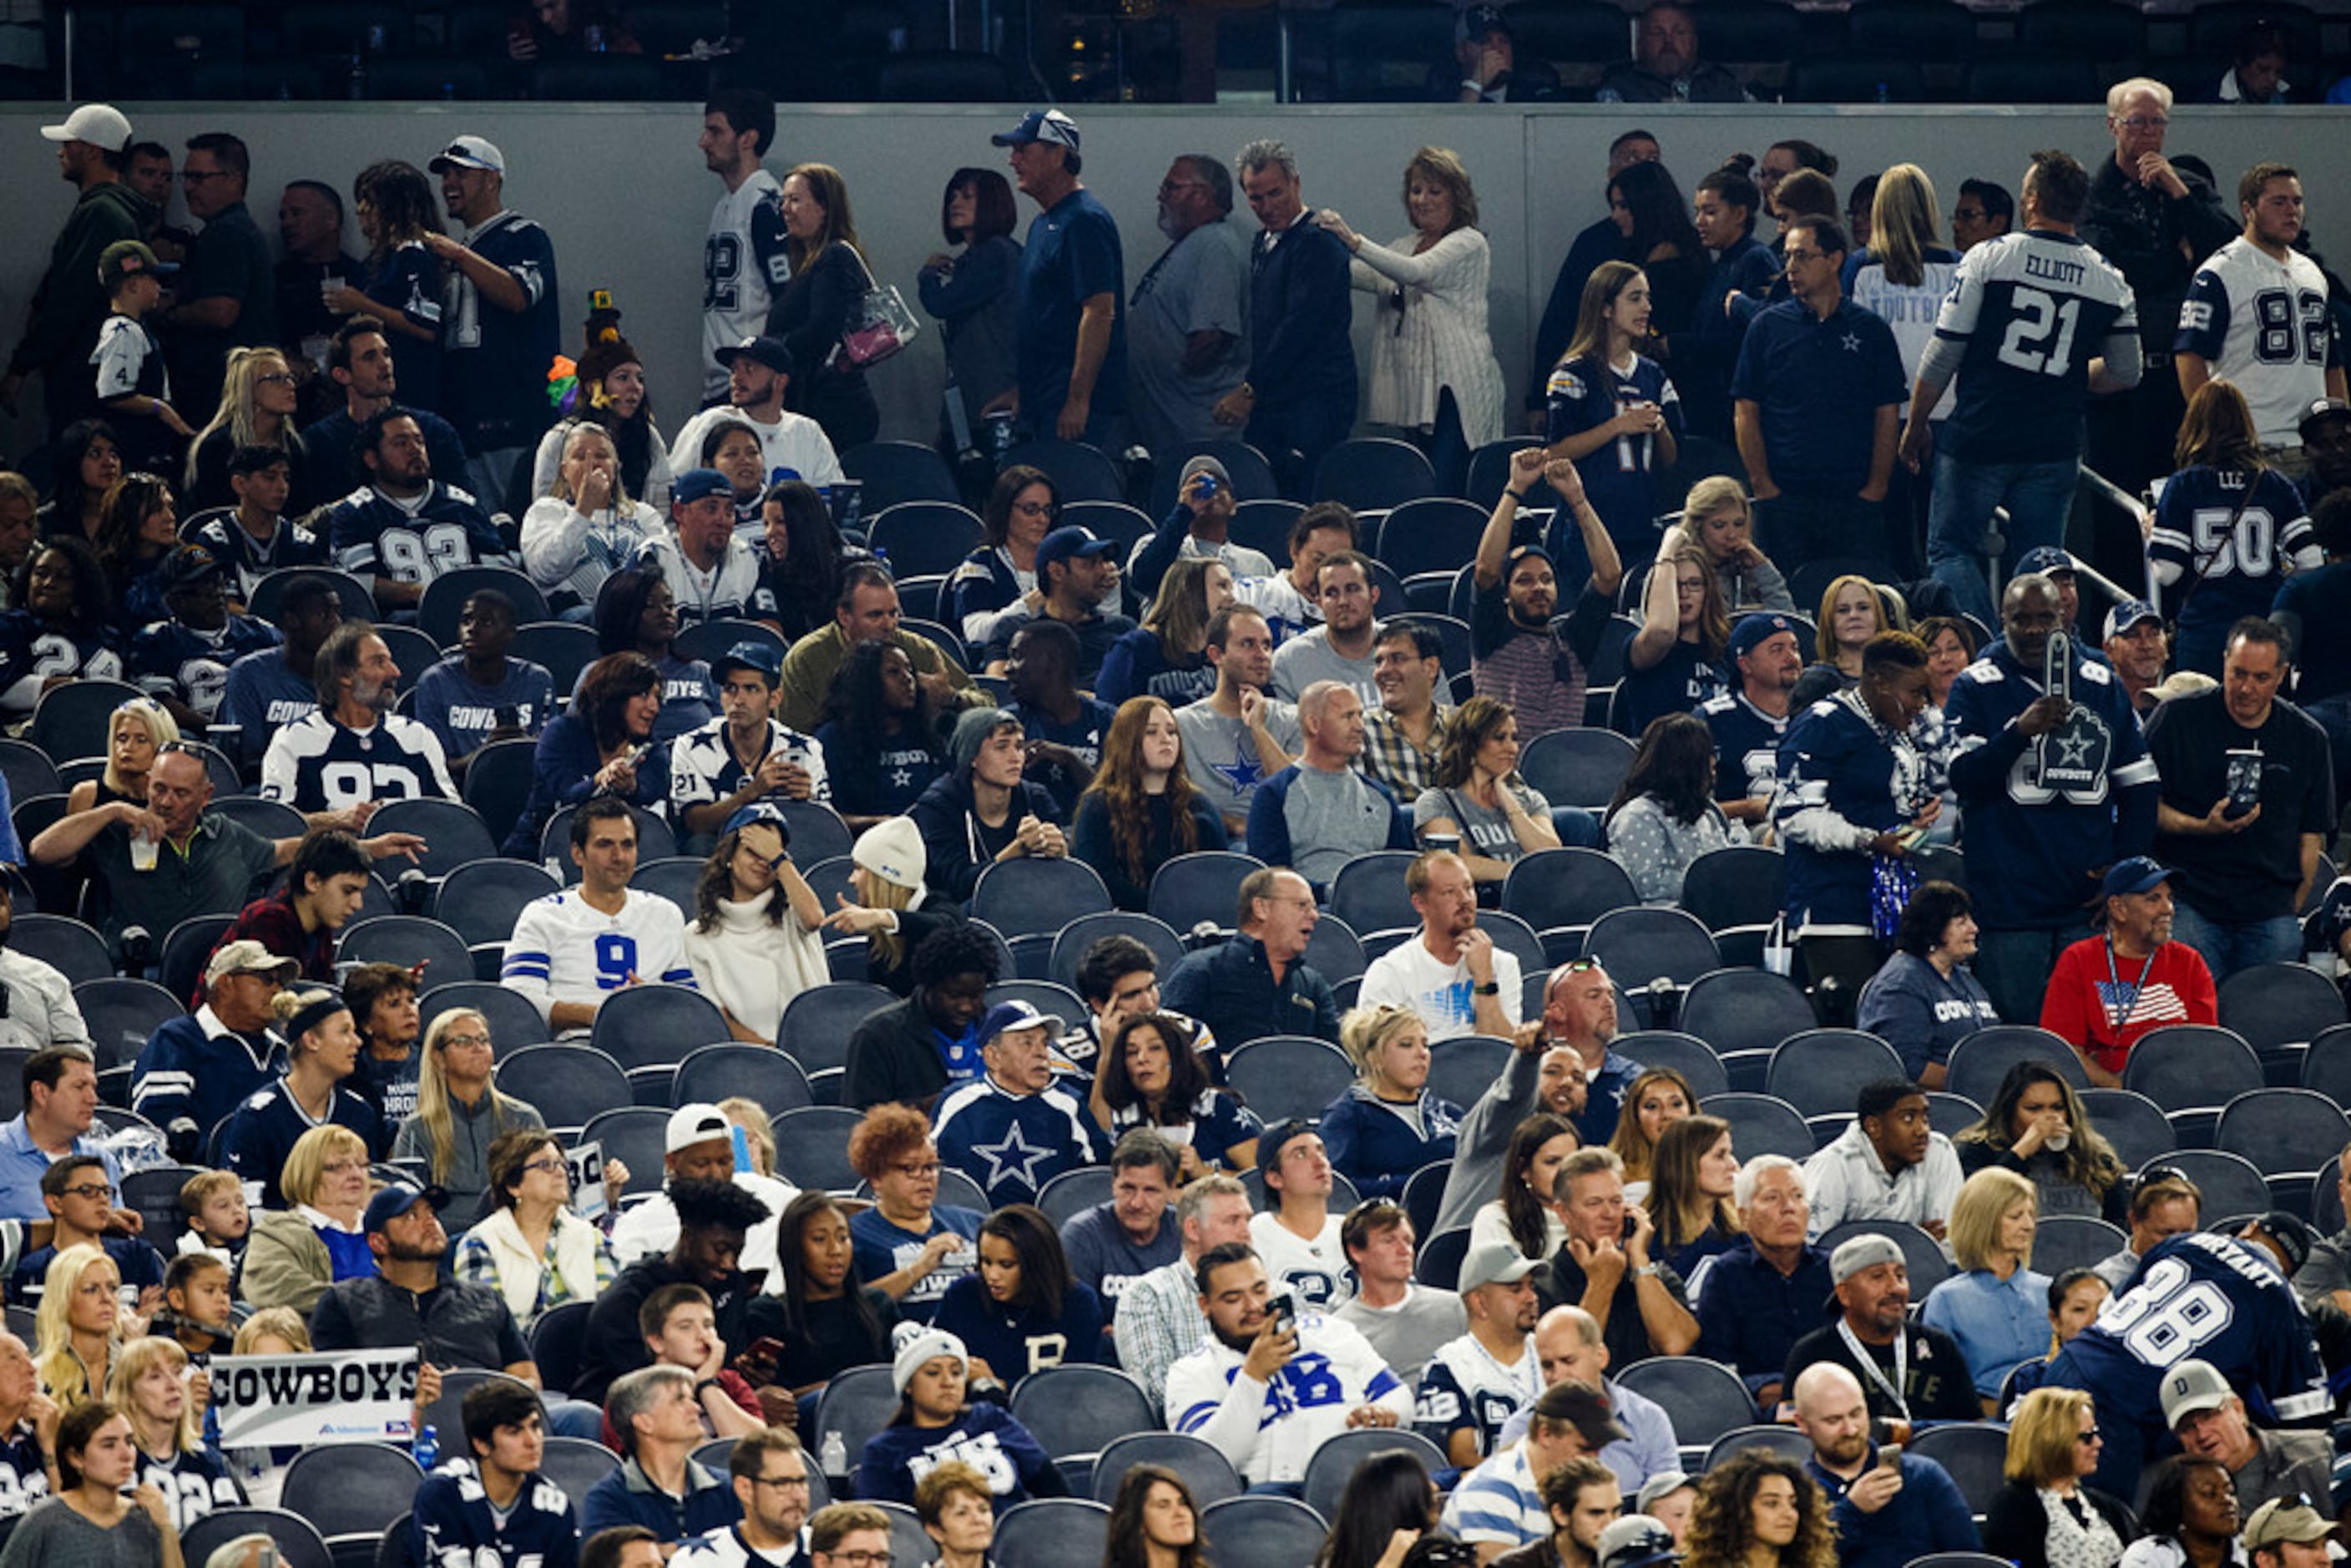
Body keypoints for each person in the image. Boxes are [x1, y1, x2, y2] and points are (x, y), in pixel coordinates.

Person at [1905, 152, 2144, 625]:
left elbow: (1944, 351)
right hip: (2053, 445)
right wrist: (2071, 373)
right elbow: (2124, 374)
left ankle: (1988, 644)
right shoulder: (2110, 280)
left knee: (1951, 549)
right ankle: (2031, 656)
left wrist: (1915, 424)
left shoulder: (1990, 258)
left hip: (1980, 436)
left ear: (2031, 199)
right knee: (2039, 568)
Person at [1945, 574, 2159, 1024]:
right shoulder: (1975, 685)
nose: (2035, 630)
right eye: (2022, 619)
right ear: (2003, 621)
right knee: (2017, 1033)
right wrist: (2018, 732)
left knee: (2095, 1029)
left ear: (2064, 618)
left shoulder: (2102, 683)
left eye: (2046, 618)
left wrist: (2122, 874)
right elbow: (1964, 778)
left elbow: (2140, 788)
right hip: (2008, 902)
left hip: (2086, 898)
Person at [2046, 1216, 2325, 1500]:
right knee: (2101, 1525)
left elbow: (2107, 1312)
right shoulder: (2281, 1300)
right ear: (2291, 1273)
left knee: (2037, 1498)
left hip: (2069, 1364)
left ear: (2249, 1229)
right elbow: (2303, 1420)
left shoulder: (2183, 1242)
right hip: (2124, 1410)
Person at [2146, 618, 2332, 977]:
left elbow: (2311, 839)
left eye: (2261, 678)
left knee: (2267, 1022)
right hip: (2190, 899)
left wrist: (2288, 907)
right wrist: (2200, 827)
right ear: (2223, 664)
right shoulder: (2175, 719)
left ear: (2281, 676)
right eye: (2238, 673)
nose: (2246, 688)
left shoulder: (2307, 738)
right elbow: (2141, 809)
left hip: (2269, 908)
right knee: (2194, 1018)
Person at [1317, 147, 1505, 492]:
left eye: (1435, 191)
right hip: (1417, 388)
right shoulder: (1406, 244)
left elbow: (1416, 272)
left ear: (1457, 196)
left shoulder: (1469, 242)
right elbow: (1366, 275)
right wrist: (1316, 244)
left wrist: (1351, 239)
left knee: (1447, 486)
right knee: (1420, 483)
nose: (1423, 199)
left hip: (1457, 389)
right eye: (1416, 190)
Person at [1772, 631, 1941, 1004]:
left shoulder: (1893, 731)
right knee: (1854, 1029)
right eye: (1914, 691)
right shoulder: (1823, 724)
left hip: (1888, 904)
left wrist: (1914, 826)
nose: (1920, 704)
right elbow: (1795, 817)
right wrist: (1870, 840)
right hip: (1834, 909)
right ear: (1879, 681)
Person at [1732, 218, 1904, 574]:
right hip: (1786, 496)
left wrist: (1877, 487)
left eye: (1802, 257)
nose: (1791, 268)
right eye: (1788, 258)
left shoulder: (1871, 331)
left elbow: (1887, 413)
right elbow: (1746, 410)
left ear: (1834, 260)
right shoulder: (1767, 327)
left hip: (1853, 497)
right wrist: (1762, 484)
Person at [1165, 1242, 1409, 1489]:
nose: (1253, 1306)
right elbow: (1209, 1462)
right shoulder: (1191, 1371)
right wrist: (1253, 1377)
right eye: (1233, 1298)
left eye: (1260, 1290)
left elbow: (1400, 1397)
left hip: (1363, 1479)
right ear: (1204, 1306)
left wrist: (1385, 1411)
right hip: (1273, 1500)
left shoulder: (1330, 1331)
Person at [2176, 166, 2344, 483]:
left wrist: (2340, 432)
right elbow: (2189, 357)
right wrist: (2216, 433)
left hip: (2314, 447)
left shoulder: (2312, 273)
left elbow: (2331, 362)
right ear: (2248, 209)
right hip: (2252, 446)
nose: (2292, 211)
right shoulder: (2220, 273)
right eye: (2278, 202)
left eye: (2297, 202)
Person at [422, 134, 559, 507]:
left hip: (511, 421)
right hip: (461, 420)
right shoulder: (458, 249)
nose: (449, 183)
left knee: (511, 527)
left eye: (461, 173)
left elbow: (518, 295)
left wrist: (459, 256)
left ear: (492, 179)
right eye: (445, 174)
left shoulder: (524, 235)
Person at [2149, 387, 2319, 678]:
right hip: (2261, 633)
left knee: (2199, 719)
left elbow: (2167, 572)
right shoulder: (2274, 484)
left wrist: (2151, 536)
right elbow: (2312, 560)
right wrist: (2280, 584)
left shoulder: (2184, 485)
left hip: (2204, 631)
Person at [1215, 140, 1352, 496]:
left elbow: (1299, 327)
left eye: (1275, 193)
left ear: (1296, 183)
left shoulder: (1318, 242)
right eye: (1256, 198)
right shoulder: (1263, 241)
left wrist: (1251, 388)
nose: (1267, 206)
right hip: (1276, 399)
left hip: (1313, 399)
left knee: (1300, 495)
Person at [5, 104, 147, 443]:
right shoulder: (113, 213)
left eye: (68, 143)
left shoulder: (100, 214)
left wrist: (21, 365)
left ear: (91, 150)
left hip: (83, 377)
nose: (60, 152)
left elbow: (69, 300)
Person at [502, 796, 696, 1037]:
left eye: (627, 845)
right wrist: (603, 1014)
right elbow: (520, 1001)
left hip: (653, 1045)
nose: (619, 857)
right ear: (578, 854)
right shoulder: (542, 916)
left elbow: (690, 1005)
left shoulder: (665, 913)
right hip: (577, 1052)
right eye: (605, 845)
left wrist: (653, 1001)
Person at [574, 1177, 775, 1408]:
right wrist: (736, 1399)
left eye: (737, 1252)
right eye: (720, 1250)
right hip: (625, 1416)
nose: (729, 1263)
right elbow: (645, 1391)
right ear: (688, 1236)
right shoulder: (628, 1299)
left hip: (705, 1408)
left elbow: (725, 1364)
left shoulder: (731, 1283)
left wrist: (748, 1374)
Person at [993, 108, 1127, 448]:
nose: (1013, 160)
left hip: (1076, 412)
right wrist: (1027, 390)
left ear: (1058, 154)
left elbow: (1099, 311)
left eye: (1023, 150)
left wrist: (1078, 399)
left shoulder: (1083, 221)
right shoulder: (1044, 223)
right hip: (1046, 402)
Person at [1544, 262, 1679, 576]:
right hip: (1588, 526)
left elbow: (1672, 458)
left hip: (1644, 524)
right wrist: (1618, 426)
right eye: (1634, 298)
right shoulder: (1573, 374)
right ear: (1605, 308)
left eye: (1647, 297)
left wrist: (1659, 428)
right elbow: (1555, 451)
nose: (1646, 307)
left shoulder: (1653, 375)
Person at [2040, 857, 2217, 1085]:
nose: (2169, 909)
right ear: (2118, 908)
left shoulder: (2189, 961)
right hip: (2106, 1096)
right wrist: (2121, 1090)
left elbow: (2205, 1046)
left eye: (2170, 898)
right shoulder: (2079, 960)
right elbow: (2065, 1051)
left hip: (2182, 1086)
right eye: (2153, 899)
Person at [321, 406, 515, 615]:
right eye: (401, 443)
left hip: (471, 620)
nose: (414, 449)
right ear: (372, 459)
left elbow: (498, 571)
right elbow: (360, 583)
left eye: (419, 441)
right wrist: (426, 594)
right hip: (402, 629)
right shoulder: (355, 513)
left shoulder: (462, 505)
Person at [1788, 1362, 1979, 1568]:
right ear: (1802, 1424)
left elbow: (1970, 1560)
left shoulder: (1921, 1476)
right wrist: (1852, 1511)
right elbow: (1801, 1562)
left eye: (1856, 1414)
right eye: (1833, 1421)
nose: (1850, 1430)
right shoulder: (1792, 1491)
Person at [1782, 1235, 1981, 1431]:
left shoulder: (1938, 1346)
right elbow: (1791, 1437)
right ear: (1844, 1294)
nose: (1895, 1288)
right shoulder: (1812, 1355)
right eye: (1878, 1277)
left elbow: (1971, 1430)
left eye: (1900, 1276)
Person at [859, 1327, 1066, 1511]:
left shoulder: (991, 1419)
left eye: (957, 1372)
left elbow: (1053, 1490)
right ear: (908, 1385)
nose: (948, 1382)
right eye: (933, 1373)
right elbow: (884, 1528)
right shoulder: (884, 1450)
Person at [1124, 156, 1246, 461]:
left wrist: (1176, 373)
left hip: (1199, 426)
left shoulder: (1214, 244)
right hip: (1173, 422)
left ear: (1202, 195)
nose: (1160, 196)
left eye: (1171, 187)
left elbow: (1212, 334)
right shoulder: (1194, 242)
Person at [1683, 1156, 1830, 1406]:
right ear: (1744, 1217)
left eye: (1797, 1196)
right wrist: (1763, 1388)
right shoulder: (1726, 1275)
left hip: (1834, 1399)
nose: (1789, 1207)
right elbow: (1718, 1366)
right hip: (1759, 1411)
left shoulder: (1833, 1270)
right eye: (1772, 1198)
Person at [1534, 1147, 1697, 1368]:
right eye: (1594, 1203)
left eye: (1616, 1201)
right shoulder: (1542, 1286)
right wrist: (1602, 1282)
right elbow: (1568, 1363)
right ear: (1563, 1213)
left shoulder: (1655, 1275)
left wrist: (1639, 1260)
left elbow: (1676, 1345)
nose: (1609, 1214)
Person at [217, 988, 382, 1206]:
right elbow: (246, 1208)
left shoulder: (359, 1112)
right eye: (344, 1032)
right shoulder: (259, 1117)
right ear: (311, 1040)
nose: (357, 1041)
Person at [931, 999, 1100, 1208]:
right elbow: (930, 1175)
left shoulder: (1069, 1106)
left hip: (1049, 1234)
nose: (1041, 1053)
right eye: (1027, 1043)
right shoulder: (956, 1103)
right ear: (993, 1056)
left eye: (1044, 1043)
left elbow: (1098, 1182)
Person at [501, 650, 670, 858]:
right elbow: (565, 795)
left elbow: (650, 793)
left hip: (620, 858)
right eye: (644, 695)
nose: (654, 707)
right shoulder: (561, 733)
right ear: (614, 696)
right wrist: (600, 779)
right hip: (538, 850)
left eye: (657, 697)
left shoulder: (652, 750)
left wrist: (631, 787)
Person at [608, 1102, 796, 1289]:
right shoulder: (638, 1226)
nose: (715, 1174)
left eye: (724, 1161)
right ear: (672, 1162)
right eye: (702, 1164)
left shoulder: (774, 1198)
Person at [779, 562, 982, 734]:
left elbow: (987, 706)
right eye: (875, 616)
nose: (888, 625)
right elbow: (794, 736)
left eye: (893, 613)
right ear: (844, 616)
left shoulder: (919, 650)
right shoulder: (806, 659)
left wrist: (953, 698)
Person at [1247, 680, 1413, 887]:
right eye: (1347, 717)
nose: (1359, 727)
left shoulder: (1380, 795)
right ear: (1313, 724)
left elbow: (1400, 871)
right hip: (1307, 910)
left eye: (1360, 715)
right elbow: (1269, 880)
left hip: (1376, 909)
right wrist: (1329, 893)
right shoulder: (1274, 794)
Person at [454, 1128, 618, 1336]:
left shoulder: (592, 1238)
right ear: (514, 1186)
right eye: (545, 1165)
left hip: (586, 1357)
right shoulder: (480, 1244)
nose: (560, 1172)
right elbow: (485, 1328)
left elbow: (611, 1315)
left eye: (561, 1164)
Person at [1069, 695, 1227, 911]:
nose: (1166, 739)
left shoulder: (1197, 804)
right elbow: (1097, 876)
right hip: (1124, 921)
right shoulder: (1099, 806)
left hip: (1193, 918)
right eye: (1151, 732)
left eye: (1171, 732)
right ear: (1128, 742)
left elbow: (1219, 870)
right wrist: (1157, 905)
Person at [763, 162, 879, 451]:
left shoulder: (834, 258)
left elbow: (821, 329)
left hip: (832, 408)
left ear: (824, 207)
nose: (785, 209)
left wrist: (771, 352)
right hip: (817, 402)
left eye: (795, 200)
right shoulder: (810, 263)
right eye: (784, 200)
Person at [682, 812, 827, 1044]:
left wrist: (779, 860)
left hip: (815, 1047)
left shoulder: (793, 912)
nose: (763, 862)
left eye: (769, 853)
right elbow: (718, 1016)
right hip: (750, 1061)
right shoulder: (698, 935)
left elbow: (814, 919)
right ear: (729, 857)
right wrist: (772, 1053)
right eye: (752, 851)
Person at [670, 640, 829, 851]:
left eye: (751, 689)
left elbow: (825, 831)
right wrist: (754, 790)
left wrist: (807, 803)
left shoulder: (806, 749)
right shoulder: (690, 746)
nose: (738, 700)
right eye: (730, 689)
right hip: (718, 856)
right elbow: (696, 823)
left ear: (774, 698)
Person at [1119, 1173, 1254, 1417]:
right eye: (1232, 1221)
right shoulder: (1147, 1295)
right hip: (1190, 1441)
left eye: (1247, 1220)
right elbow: (1161, 1392)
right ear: (1193, 1229)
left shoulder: (1280, 1291)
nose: (1246, 1232)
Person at [1162, 865, 1339, 1050]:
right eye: (1302, 905)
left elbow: (1335, 1061)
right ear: (1261, 908)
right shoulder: (1200, 970)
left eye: (1314, 908)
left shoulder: (1313, 985)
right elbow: (1167, 1049)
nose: (1314, 916)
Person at [412, 1379, 580, 1568]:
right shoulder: (442, 1494)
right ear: (482, 1444)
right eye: (514, 1432)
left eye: (534, 1426)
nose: (532, 1441)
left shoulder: (555, 1506)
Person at [843, 1100, 984, 1325]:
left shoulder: (972, 1223)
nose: (925, 1176)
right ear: (877, 1177)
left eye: (930, 1166)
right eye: (910, 1168)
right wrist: (921, 1267)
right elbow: (848, 1312)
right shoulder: (855, 1236)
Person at [324, 159, 443, 423]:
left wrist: (363, 304)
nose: (361, 211)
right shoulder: (381, 259)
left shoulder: (413, 255)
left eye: (371, 203)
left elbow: (425, 325)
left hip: (413, 391)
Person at [1919, 1168, 2048, 1411]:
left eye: (2031, 1215)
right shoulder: (1946, 1300)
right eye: (2015, 1216)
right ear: (1983, 1221)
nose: (2029, 1225)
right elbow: (1940, 1389)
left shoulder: (2050, 1291)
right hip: (1979, 1428)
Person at [1361, 850, 1524, 1042]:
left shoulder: (1503, 965)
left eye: (1469, 888)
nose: (1465, 899)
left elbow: (1502, 1053)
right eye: (1449, 892)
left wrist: (1485, 979)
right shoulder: (1391, 973)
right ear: (1420, 903)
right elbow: (1378, 1060)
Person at [933, 1202, 1106, 1381]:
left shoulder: (1079, 1303)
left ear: (1036, 1263)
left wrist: (997, 1385)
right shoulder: (962, 1296)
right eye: (986, 1262)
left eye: (1006, 1265)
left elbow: (1077, 1389)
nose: (992, 1276)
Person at [0, 1399, 183, 1568]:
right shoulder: (45, 1521)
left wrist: (166, 1529)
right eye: (109, 1445)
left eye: (129, 1442)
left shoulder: (146, 1518)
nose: (126, 1454)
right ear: (76, 1457)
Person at [919, 167, 1023, 460]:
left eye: (967, 197)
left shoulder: (994, 254)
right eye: (952, 196)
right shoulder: (987, 256)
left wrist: (927, 275)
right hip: (975, 399)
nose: (955, 203)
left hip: (992, 399)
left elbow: (940, 303)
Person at [1445, 1393, 1621, 1564]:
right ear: (1545, 1435)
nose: (1594, 1459)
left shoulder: (1585, 1485)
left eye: (1599, 1449)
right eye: (1584, 1448)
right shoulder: (1492, 1489)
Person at [1856, 881, 2000, 1087]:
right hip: (1932, 1106)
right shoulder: (1900, 985)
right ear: (1934, 928)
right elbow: (1908, 1068)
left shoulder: (1964, 978)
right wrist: (1980, 1084)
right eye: (1961, 922)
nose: (1974, 929)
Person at [695, 88, 787, 404]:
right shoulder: (724, 205)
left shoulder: (765, 204)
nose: (703, 142)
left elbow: (785, 297)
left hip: (750, 384)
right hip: (720, 380)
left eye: (715, 130)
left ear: (747, 138)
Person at [1415, 1242, 1543, 1469]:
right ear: (1479, 1302)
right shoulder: (1448, 1367)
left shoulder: (1553, 1350)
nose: (1531, 1297)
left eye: (1531, 1286)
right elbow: (1461, 1458)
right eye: (1516, 1289)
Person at [520, 421, 665, 621]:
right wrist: (584, 509)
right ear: (564, 470)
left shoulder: (644, 515)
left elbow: (665, 571)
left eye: (602, 456)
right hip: (578, 615)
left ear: (616, 467)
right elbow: (546, 572)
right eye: (580, 457)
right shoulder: (547, 511)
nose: (593, 463)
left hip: (641, 612)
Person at [1954, 1062, 2130, 1227]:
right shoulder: (1977, 1150)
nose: (2049, 1117)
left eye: (2057, 1107)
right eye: (2034, 1109)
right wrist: (2021, 1151)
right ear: (2009, 1112)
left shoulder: (2094, 1157)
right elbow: (1975, 1215)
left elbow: (2121, 1224)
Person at [579, 1364, 742, 1542]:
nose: (696, 1408)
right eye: (680, 1400)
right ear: (644, 1422)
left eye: (692, 1399)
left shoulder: (729, 1489)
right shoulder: (608, 1499)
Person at [1320, 1005, 1463, 1204]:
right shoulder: (1348, 1115)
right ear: (1374, 1057)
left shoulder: (1450, 1113)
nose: (1422, 1054)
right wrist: (1416, 1186)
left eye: (1425, 1044)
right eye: (1406, 1044)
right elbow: (1338, 1187)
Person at [1415, 697, 1565, 887]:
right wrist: (1522, 874)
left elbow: (1550, 857)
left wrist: (1509, 802)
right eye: (1499, 738)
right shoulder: (1436, 803)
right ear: (1470, 744)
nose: (1512, 748)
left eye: (1514, 738)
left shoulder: (1530, 799)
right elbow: (1456, 863)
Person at [2160, 1357, 2331, 1520]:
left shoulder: (2314, 1453)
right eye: (2187, 1427)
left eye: (2208, 1416)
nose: (2202, 1434)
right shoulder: (2183, 1505)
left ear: (2238, 1409)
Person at [1089, 1014, 1258, 1177]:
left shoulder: (1217, 1107)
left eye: (1155, 1048)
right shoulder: (1121, 1119)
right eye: (1132, 1052)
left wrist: (1204, 1172)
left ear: (1177, 1056)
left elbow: (1257, 1180)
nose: (1142, 1058)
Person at [1980, 1388, 2133, 1568]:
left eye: (2096, 1433)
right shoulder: (2013, 1508)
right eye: (2087, 1437)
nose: (2098, 1443)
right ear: (2051, 1441)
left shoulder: (2106, 1507)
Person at [1801, 1080, 1963, 1241]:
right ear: (1874, 1126)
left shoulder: (1939, 1150)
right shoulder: (1832, 1165)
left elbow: (1948, 1240)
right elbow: (1810, 1249)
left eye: (1925, 1118)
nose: (1923, 1130)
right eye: (1908, 1118)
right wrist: (1913, 1242)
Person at [815, 641, 950, 832]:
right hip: (864, 848)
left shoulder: (929, 735)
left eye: (910, 671)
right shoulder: (833, 740)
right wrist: (875, 823)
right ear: (867, 681)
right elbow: (822, 817)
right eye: (894, 672)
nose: (908, 679)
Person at [236, 1123, 373, 1313]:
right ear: (309, 1173)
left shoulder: (386, 1229)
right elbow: (272, 1289)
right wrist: (371, 1304)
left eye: (362, 1165)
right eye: (338, 1167)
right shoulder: (278, 1232)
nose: (355, 1174)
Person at [1335, 1200, 1466, 1387]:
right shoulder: (1343, 1330)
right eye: (1389, 1241)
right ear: (1356, 1251)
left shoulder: (1457, 1308)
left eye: (1408, 1241)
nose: (1404, 1250)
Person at [1604, 715, 1732, 907]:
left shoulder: (1707, 816)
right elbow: (1649, 884)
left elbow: (1725, 869)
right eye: (1706, 754)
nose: (1713, 762)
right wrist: (1706, 885)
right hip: (1659, 922)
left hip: (1708, 911)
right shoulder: (1638, 816)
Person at [88, 240, 186, 478]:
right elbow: (114, 392)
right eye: (153, 279)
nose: (159, 287)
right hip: (134, 451)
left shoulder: (136, 329)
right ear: (133, 284)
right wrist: (160, 409)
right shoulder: (123, 331)